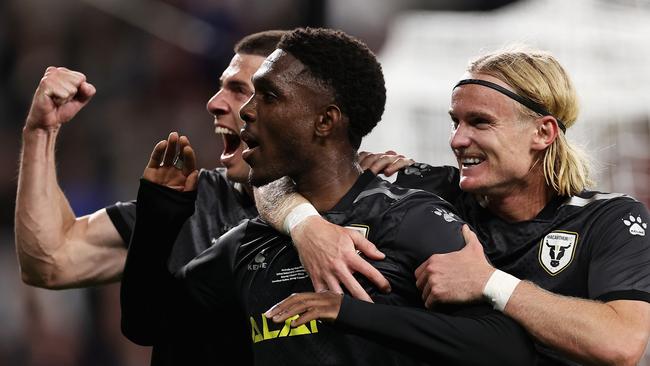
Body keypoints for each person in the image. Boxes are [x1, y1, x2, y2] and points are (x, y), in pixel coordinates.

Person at [122, 27, 536, 365]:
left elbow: (506, 348)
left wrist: (348, 312)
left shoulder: (409, 218)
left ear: (324, 121)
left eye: (268, 96)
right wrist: (161, 214)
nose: (246, 110)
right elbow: (149, 324)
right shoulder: (250, 242)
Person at [15, 29, 409, 364]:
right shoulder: (187, 201)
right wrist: (40, 132)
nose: (215, 103)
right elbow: (51, 261)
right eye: (224, 88)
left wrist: (473, 278)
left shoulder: (378, 200)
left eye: (247, 91)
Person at [260, 46, 650, 365]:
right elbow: (278, 172)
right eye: (455, 122)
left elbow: (620, 345)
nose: (457, 140)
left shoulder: (610, 219)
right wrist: (304, 224)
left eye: (479, 123)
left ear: (542, 132)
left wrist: (489, 282)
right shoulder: (427, 188)